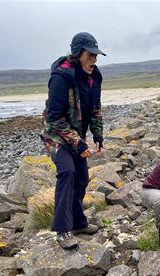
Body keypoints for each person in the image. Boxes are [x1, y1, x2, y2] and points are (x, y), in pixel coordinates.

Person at [41, 32, 106, 249]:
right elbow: (54, 118)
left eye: (97, 55)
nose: (95, 59)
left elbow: (95, 109)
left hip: (76, 135)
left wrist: (97, 135)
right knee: (67, 172)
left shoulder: (94, 77)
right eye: (91, 55)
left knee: (82, 178)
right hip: (56, 136)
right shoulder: (61, 78)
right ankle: (62, 229)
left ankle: (78, 222)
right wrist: (77, 143)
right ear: (78, 54)